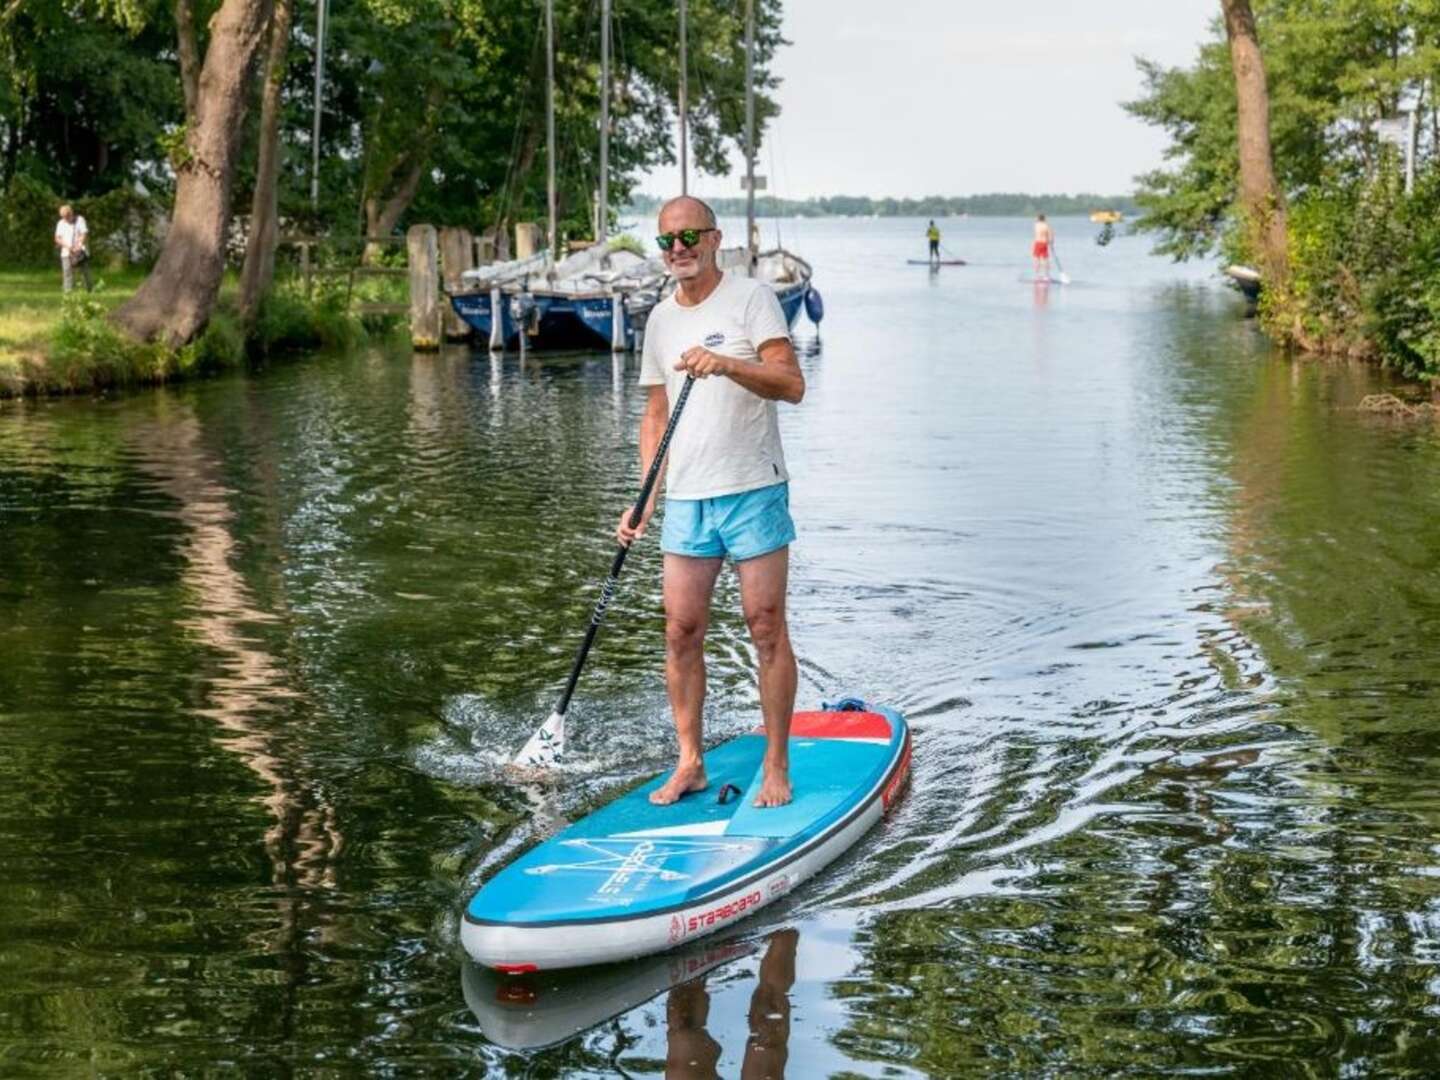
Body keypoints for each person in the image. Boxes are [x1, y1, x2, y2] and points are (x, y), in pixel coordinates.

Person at [618, 194, 805, 809]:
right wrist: (645, 495)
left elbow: (791, 385)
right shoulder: (660, 319)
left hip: (752, 485)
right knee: (681, 631)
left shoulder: (751, 299)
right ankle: (690, 762)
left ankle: (776, 763)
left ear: (714, 238)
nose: (679, 248)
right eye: (668, 240)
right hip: (687, 498)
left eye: (690, 236)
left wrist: (726, 364)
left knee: (765, 625)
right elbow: (655, 412)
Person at [54, 205, 92, 293]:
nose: (65, 219)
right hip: (66, 252)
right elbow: (57, 238)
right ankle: (68, 292)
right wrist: (67, 247)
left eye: (67, 216)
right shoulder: (60, 223)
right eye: (63, 217)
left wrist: (79, 245)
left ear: (71, 213)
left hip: (79, 251)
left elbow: (84, 233)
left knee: (85, 272)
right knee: (67, 273)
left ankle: (89, 290)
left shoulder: (80, 220)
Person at [1032, 213, 1054, 280]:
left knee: (1037, 259)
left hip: (1037, 243)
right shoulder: (1047, 226)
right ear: (1044, 219)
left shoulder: (1036, 225)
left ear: (1038, 219)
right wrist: (1051, 242)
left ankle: (1037, 275)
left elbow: (1037, 232)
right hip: (1044, 243)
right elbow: (1051, 234)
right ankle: (1046, 275)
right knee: (1045, 259)